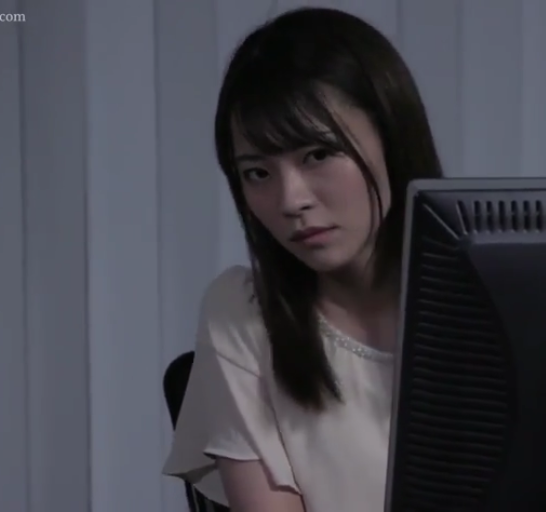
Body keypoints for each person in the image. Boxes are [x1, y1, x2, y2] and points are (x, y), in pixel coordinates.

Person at [162, 7, 444, 512]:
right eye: (257, 173)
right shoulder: (244, 314)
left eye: (317, 155)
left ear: (392, 138)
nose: (290, 200)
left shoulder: (502, 301)